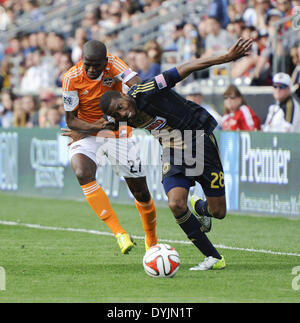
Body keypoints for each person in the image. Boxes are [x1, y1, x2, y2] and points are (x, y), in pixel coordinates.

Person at [94, 38, 253, 270]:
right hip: (172, 150)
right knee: (176, 204)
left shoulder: (145, 90)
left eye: (120, 106)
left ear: (124, 96)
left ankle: (200, 208)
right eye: (117, 114)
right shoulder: (121, 119)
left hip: (200, 141)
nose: (124, 113)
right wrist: (79, 129)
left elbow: (186, 67)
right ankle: (213, 257)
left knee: (218, 212)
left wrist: (226, 58)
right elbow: (101, 126)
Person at [61, 40, 157, 254]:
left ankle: (151, 239)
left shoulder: (114, 64)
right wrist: (93, 126)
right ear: (81, 61)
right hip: (87, 131)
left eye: (97, 65)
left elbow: (137, 84)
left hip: (117, 132)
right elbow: (71, 121)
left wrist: (130, 108)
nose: (93, 69)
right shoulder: (71, 78)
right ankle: (120, 234)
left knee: (140, 191)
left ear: (106, 60)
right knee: (82, 172)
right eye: (88, 64)